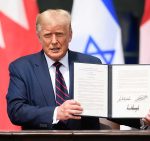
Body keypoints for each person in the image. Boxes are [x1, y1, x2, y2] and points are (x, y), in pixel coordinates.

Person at [6, 9, 150, 132]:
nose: (54, 41)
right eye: (48, 35)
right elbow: (16, 110)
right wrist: (56, 112)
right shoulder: (22, 68)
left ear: (70, 35)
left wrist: (142, 119)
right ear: (39, 37)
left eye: (60, 34)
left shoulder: (91, 64)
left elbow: (109, 106)